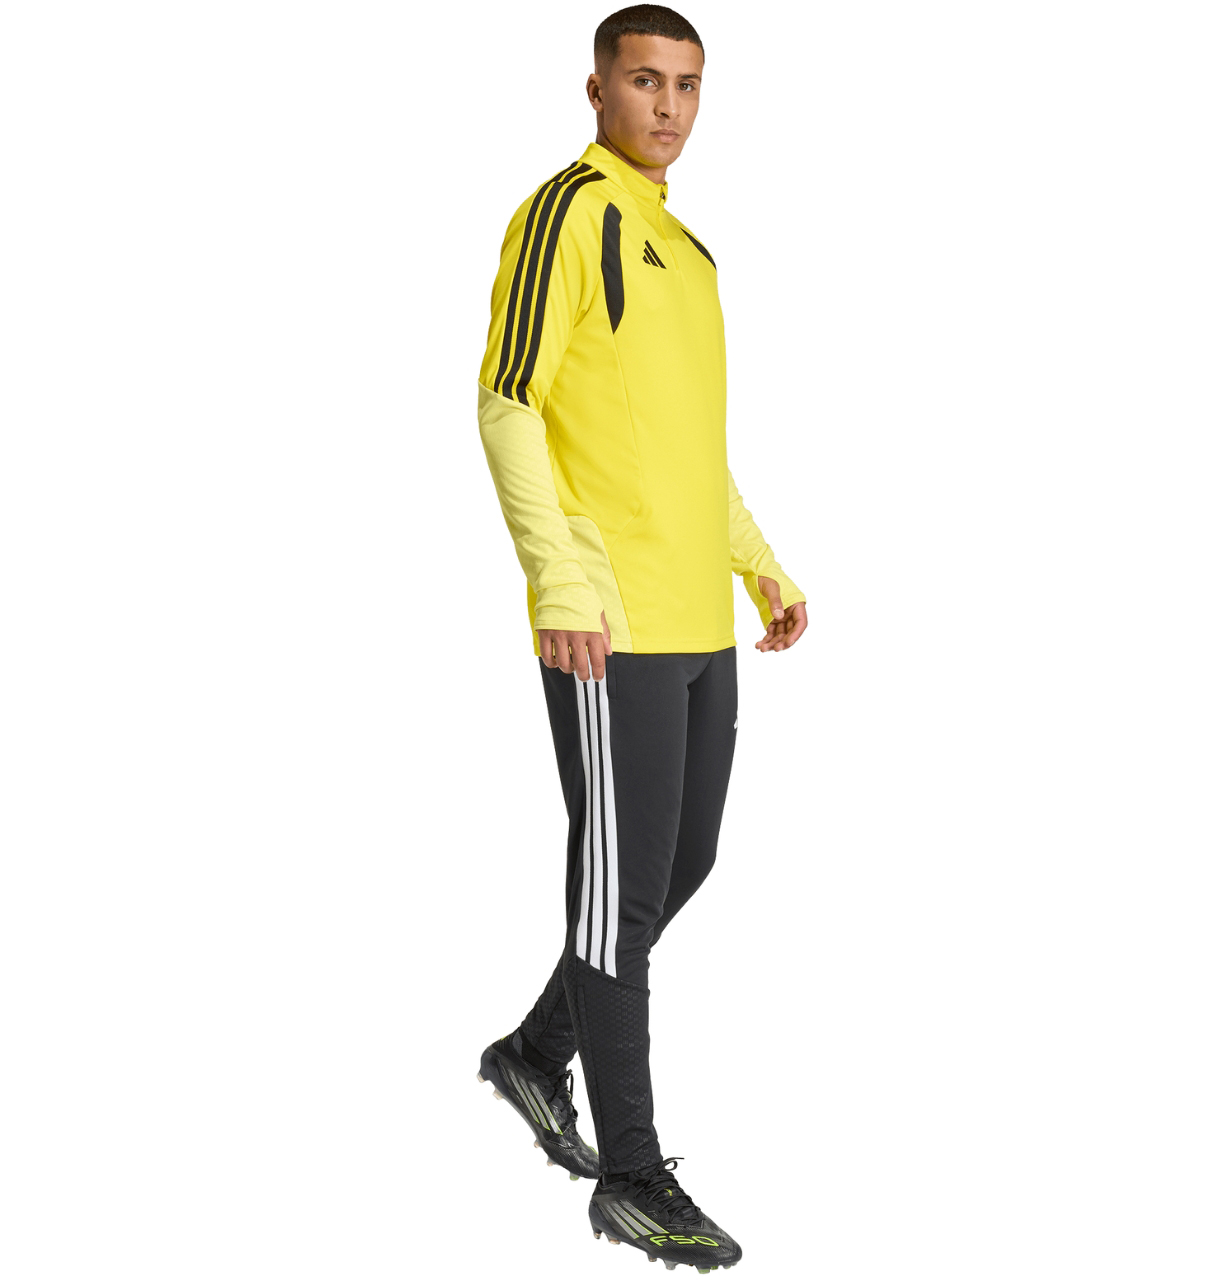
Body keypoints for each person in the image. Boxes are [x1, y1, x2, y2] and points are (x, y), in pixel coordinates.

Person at [474, 5, 807, 1269]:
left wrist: (757, 560)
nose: (667, 107)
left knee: (680, 862)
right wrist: (558, 581)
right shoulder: (566, 214)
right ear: (597, 90)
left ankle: (532, 1050)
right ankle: (630, 1174)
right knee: (616, 892)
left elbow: (687, 449)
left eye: (687, 86)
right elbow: (507, 401)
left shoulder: (688, 249)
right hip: (606, 621)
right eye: (645, 81)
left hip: (695, 616)